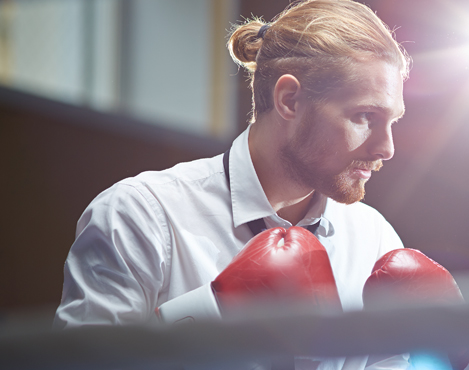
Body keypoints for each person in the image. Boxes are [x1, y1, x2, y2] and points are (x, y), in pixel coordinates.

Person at [54, 0, 421, 368]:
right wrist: (213, 310)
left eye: (394, 121)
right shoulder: (141, 216)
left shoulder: (374, 239)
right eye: (365, 116)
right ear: (289, 100)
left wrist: (464, 346)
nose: (386, 148)